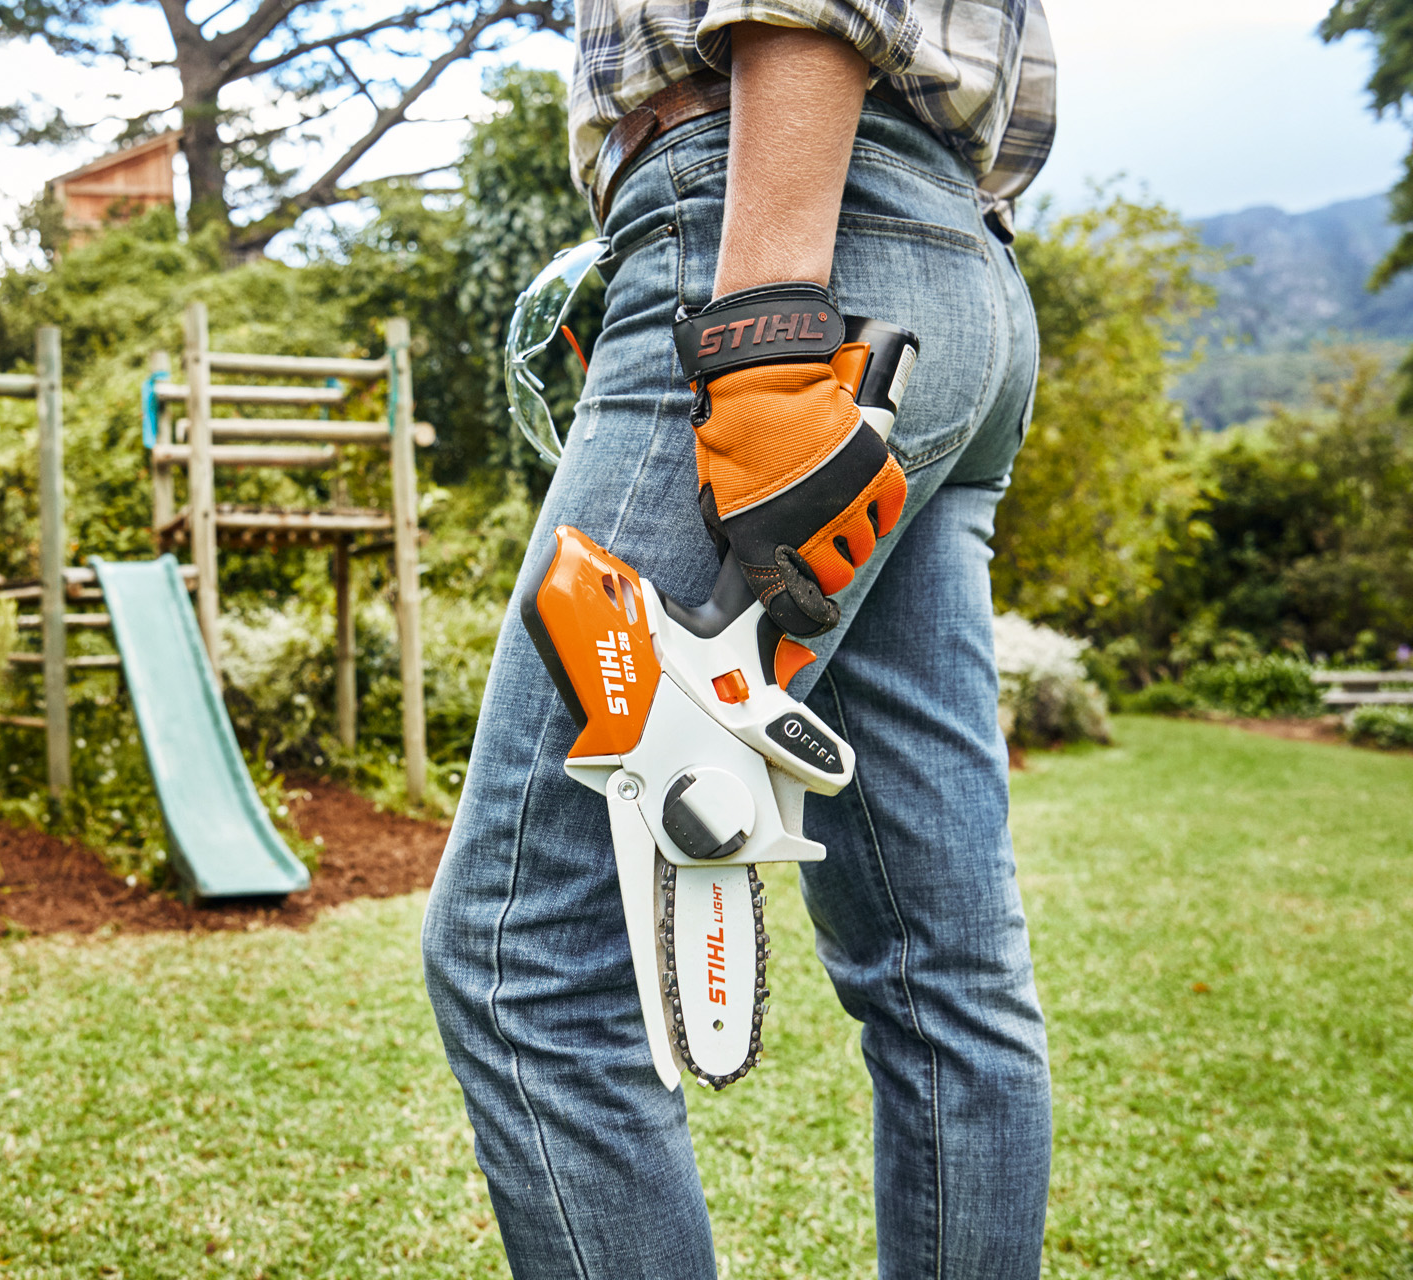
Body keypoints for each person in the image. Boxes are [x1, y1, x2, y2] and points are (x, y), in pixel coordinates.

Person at [420, 2, 1058, 1277]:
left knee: (522, 951)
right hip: (955, 271)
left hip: (785, 236)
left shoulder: (771, 263)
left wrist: (760, 321)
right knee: (947, 978)